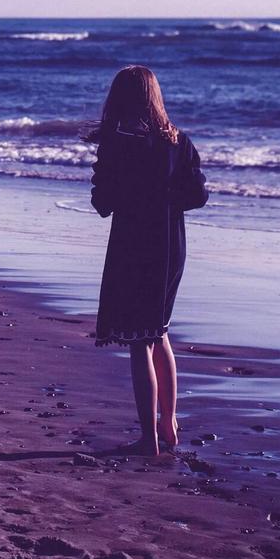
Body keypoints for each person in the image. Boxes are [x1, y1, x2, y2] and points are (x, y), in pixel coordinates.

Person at [85, 64, 209, 457]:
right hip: (171, 245)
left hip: (133, 245)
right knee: (159, 332)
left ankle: (148, 439)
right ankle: (168, 424)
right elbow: (198, 195)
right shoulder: (178, 140)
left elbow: (102, 203)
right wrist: (165, 200)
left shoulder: (118, 144)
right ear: (155, 96)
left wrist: (129, 194)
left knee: (139, 342)